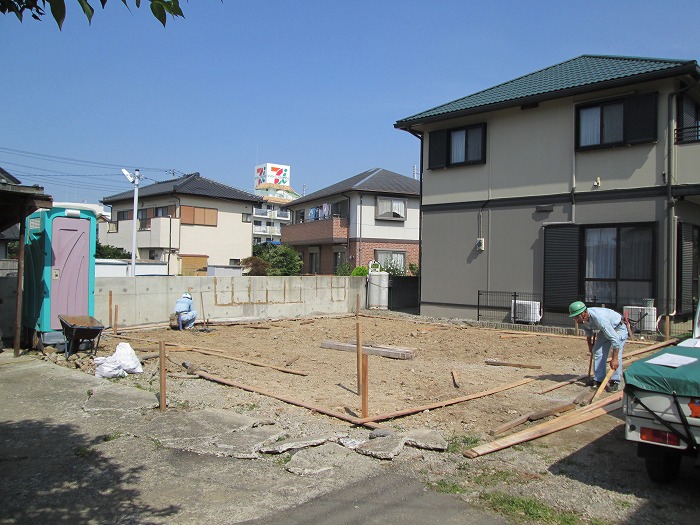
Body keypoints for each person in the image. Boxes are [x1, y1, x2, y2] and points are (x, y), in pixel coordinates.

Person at [568, 301, 628, 392]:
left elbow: (615, 340)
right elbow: (588, 332)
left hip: (618, 328)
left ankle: (615, 380)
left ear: (584, 313)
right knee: (597, 350)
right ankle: (599, 379)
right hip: (605, 330)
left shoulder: (600, 319)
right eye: (574, 317)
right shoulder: (584, 320)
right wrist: (590, 345)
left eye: (576, 317)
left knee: (616, 355)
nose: (576, 320)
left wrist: (614, 359)